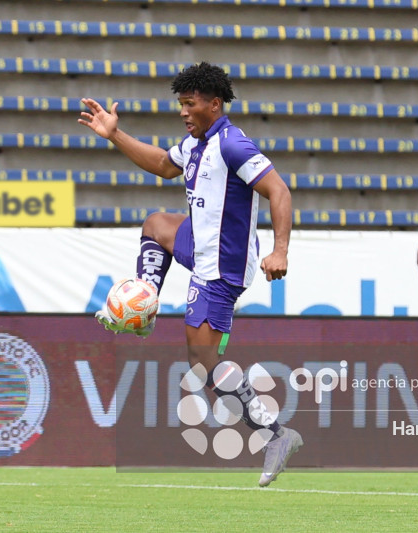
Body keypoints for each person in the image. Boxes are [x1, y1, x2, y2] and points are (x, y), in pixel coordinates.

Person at [78, 61, 302, 486]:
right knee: (157, 225)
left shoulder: (233, 144)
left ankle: (276, 434)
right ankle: (144, 303)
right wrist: (114, 135)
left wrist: (280, 250)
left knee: (202, 367)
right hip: (198, 245)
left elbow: (279, 190)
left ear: (214, 104)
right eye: (180, 103)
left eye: (189, 103)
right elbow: (164, 164)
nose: (183, 111)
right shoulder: (196, 142)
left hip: (222, 267)